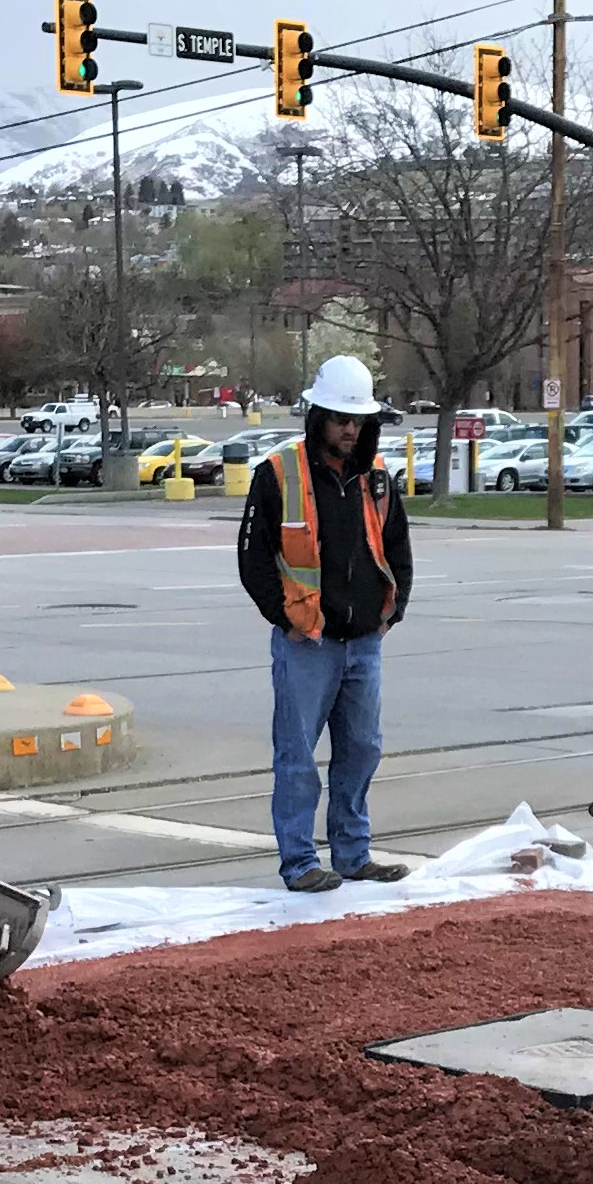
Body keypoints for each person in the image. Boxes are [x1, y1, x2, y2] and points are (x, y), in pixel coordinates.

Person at [238, 355, 415, 893]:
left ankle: (353, 853)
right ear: (318, 417)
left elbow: (398, 549)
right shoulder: (278, 474)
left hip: (363, 642)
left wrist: (392, 610)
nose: (349, 429)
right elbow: (253, 558)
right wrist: (284, 618)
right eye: (341, 419)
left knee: (362, 748)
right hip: (307, 644)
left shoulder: (378, 477)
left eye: (357, 420)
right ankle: (299, 863)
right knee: (296, 758)